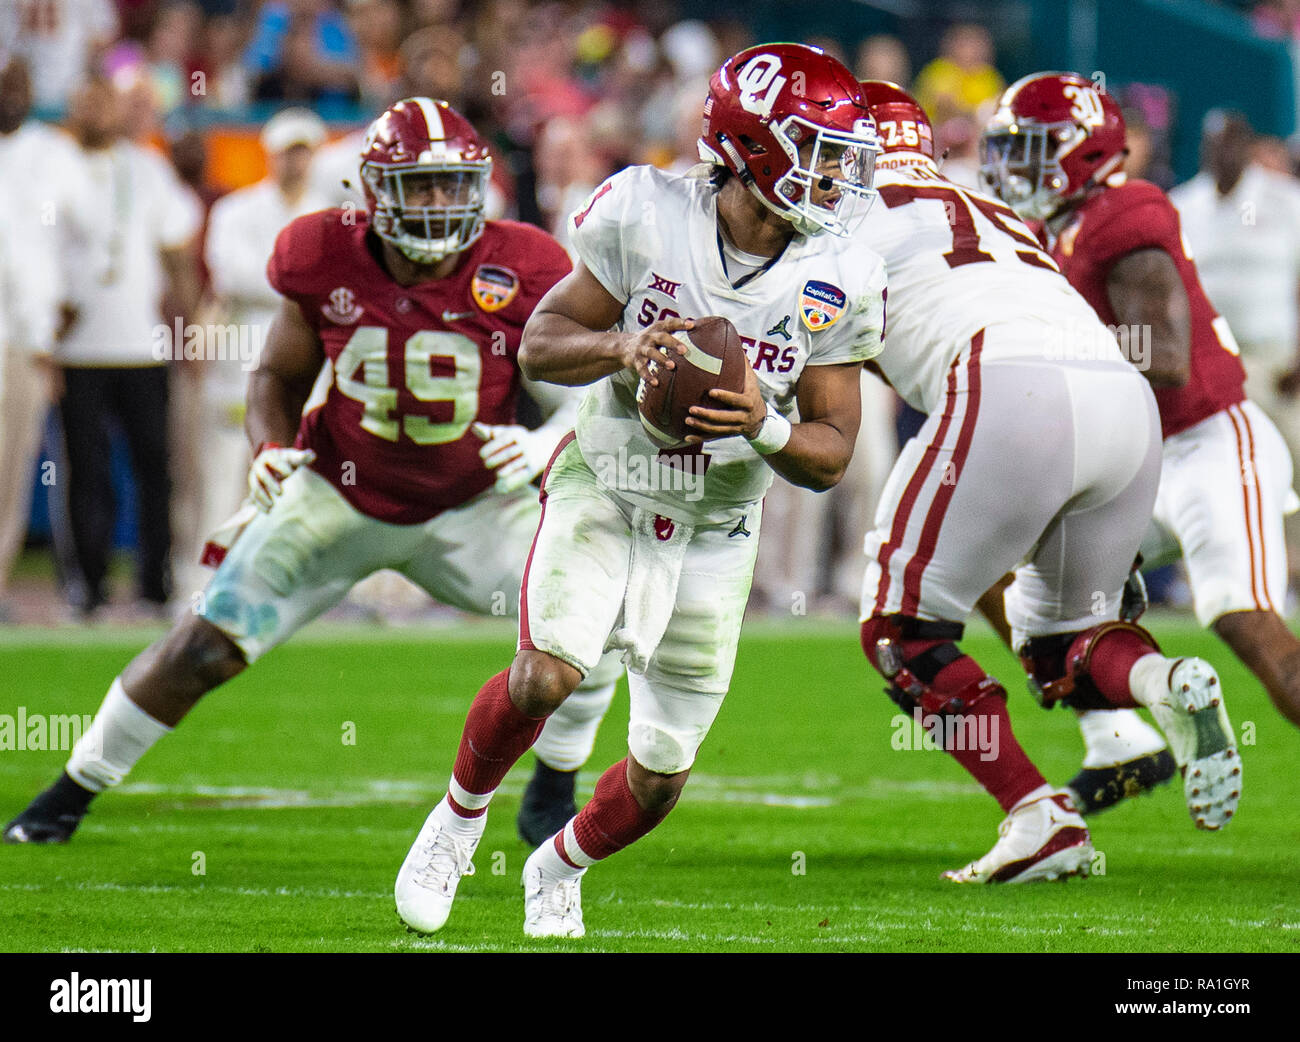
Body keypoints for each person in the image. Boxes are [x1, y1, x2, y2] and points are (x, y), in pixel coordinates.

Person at [4, 98, 618, 848]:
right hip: (339, 494)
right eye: (418, 185)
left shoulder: (524, 263)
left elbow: (587, 394)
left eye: (451, 184)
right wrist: (268, 447)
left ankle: (553, 781)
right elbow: (275, 377)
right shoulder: (321, 253)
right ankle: (67, 795)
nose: (437, 203)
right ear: (371, 190)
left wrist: (548, 439)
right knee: (201, 645)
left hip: (475, 504)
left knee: (597, 626)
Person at [392, 43, 888, 940]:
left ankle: (559, 864)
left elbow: (832, 450)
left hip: (716, 526)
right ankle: (457, 822)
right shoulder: (646, 213)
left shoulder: (841, 274)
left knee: (661, 772)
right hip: (609, 484)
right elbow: (540, 342)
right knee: (547, 675)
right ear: (751, 146)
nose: (836, 176)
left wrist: (760, 424)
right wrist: (622, 348)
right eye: (816, 149)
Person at [853, 81, 1238, 885]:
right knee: (1064, 639)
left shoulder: (834, 218)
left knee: (901, 628)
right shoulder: (988, 208)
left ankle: (1038, 815)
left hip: (1007, 385)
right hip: (1120, 397)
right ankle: (1162, 680)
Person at [983, 73, 1300, 732]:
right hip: (1139, 462)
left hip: (1209, 443)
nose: (1014, 165)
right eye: (1010, 148)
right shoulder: (1054, 232)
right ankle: (1139, 733)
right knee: (1031, 605)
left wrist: (1048, 351)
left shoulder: (1122, 213)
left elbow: (1166, 357)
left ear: (1083, 151)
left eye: (1032, 148)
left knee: (1252, 630)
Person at [52, 76, 201, 617]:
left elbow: (177, 252)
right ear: (72, 107)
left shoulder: (147, 168)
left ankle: (154, 585)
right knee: (84, 474)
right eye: (86, 99)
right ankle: (87, 586)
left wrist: (189, 330)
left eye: (103, 99)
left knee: (154, 469)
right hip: (76, 350)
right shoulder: (53, 165)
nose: (96, 108)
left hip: (144, 345)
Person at [196, 108, 333, 587]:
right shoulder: (235, 210)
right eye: (286, 153)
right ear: (270, 156)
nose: (294, 163)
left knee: (304, 478)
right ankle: (203, 584)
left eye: (303, 153)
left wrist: (285, 282)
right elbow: (231, 274)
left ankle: (294, 584)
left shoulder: (329, 215)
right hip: (240, 357)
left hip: (312, 361)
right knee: (223, 475)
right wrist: (303, 283)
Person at [1171, 112, 1300, 595]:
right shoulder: (1183, 203)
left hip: (1275, 360)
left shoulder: (1285, 200)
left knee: (1293, 462)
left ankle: (1292, 571)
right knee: (1211, 466)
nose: (1220, 155)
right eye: (1211, 146)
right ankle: (1206, 575)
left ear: (1247, 147)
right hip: (1209, 362)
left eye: (1229, 145)